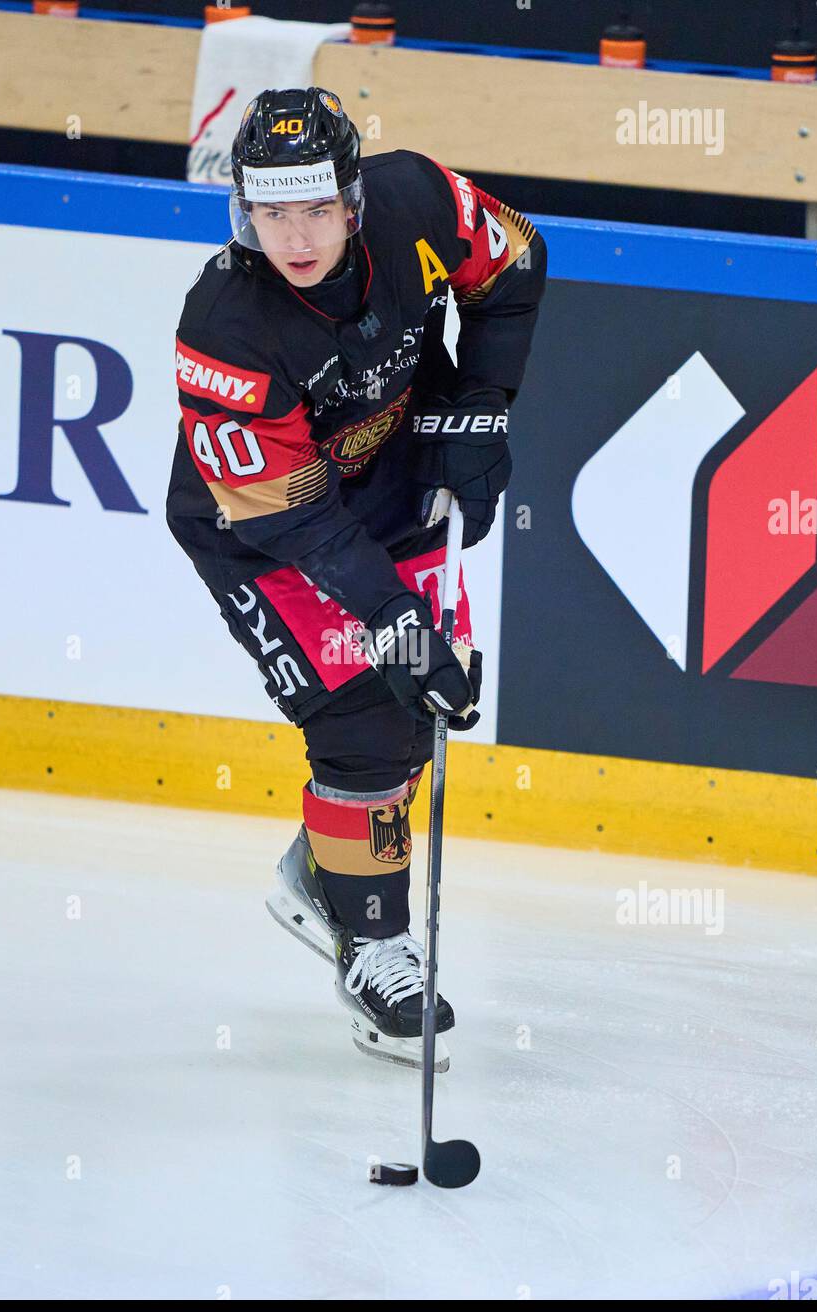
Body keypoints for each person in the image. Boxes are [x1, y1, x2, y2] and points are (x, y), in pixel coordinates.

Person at [167, 87, 546, 1070]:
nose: (294, 236)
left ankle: (326, 871)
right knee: (364, 720)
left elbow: (515, 260)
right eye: (270, 212)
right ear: (244, 209)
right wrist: (386, 612)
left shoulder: (418, 196)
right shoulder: (227, 327)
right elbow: (289, 511)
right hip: (262, 532)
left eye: (316, 210)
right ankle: (374, 943)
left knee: (417, 703)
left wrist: (482, 402)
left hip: (391, 471)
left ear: (354, 200)